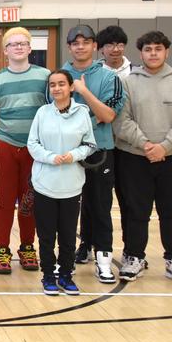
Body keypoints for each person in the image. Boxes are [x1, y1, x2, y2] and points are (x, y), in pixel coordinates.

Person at [114, 30, 172, 284]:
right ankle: (134, 257)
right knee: (136, 211)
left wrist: (165, 146)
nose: (153, 53)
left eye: (158, 49)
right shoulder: (128, 83)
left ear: (166, 51)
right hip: (134, 157)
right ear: (140, 53)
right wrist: (146, 144)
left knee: (171, 211)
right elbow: (122, 120)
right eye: (148, 49)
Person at [0, 27, 49, 275]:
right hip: (7, 146)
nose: (18, 47)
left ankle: (28, 247)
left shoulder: (45, 77)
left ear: (30, 48)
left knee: (29, 201)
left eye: (23, 43)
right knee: (5, 201)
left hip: (36, 149)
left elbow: (52, 114)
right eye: (13, 44)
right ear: (5, 50)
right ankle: (2, 250)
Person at [62, 25, 125, 284]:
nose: (80, 46)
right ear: (69, 47)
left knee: (100, 207)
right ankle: (66, 260)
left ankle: (104, 260)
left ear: (94, 46)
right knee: (66, 209)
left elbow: (108, 115)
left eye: (86, 41)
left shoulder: (110, 78)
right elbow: (55, 115)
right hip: (67, 154)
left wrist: (84, 91)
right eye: (75, 42)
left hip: (100, 151)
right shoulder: (59, 76)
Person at [27, 70, 96, 296]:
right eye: (53, 85)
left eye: (61, 84)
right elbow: (33, 144)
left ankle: (66, 275)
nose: (57, 89)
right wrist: (50, 157)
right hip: (44, 183)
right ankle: (48, 275)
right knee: (46, 235)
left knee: (67, 235)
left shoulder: (82, 113)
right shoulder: (42, 112)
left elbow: (89, 145)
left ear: (71, 87)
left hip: (71, 185)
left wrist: (73, 155)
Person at [95, 25, 134, 264]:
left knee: (129, 200)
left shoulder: (136, 74)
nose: (115, 49)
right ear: (101, 49)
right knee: (96, 201)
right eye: (109, 45)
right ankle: (88, 245)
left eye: (119, 44)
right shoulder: (93, 73)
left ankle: (131, 249)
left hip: (129, 147)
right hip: (102, 145)